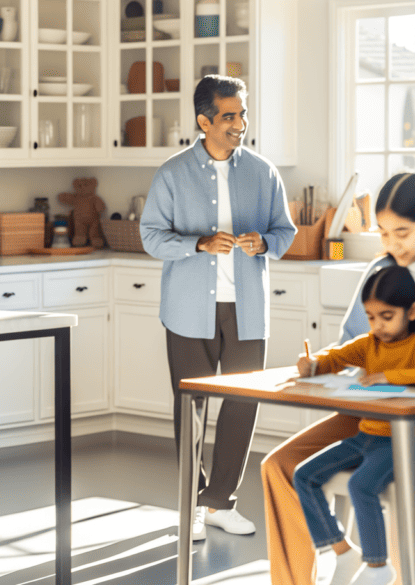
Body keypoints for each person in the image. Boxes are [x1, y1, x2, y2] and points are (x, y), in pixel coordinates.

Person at [261, 172, 415, 585]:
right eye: (383, 233)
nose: (391, 244)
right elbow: (351, 345)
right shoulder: (381, 271)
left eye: (402, 232)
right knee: (281, 466)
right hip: (381, 409)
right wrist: (319, 365)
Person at [140, 75, 297, 541]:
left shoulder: (264, 172)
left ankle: (220, 503)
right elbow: (151, 237)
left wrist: (264, 242)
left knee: (243, 404)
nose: (239, 124)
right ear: (204, 120)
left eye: (243, 114)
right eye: (229, 115)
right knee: (192, 406)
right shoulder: (172, 173)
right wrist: (198, 244)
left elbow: (284, 234)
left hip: (247, 310)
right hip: (189, 310)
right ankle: (191, 505)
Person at [293, 265, 415, 585]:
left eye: (386, 316)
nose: (378, 325)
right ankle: (342, 552)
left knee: (360, 486)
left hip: (405, 439)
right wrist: (312, 365)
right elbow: (335, 359)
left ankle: (378, 566)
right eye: (370, 317)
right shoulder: (369, 344)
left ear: (412, 311)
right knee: (304, 475)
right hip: (366, 435)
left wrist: (389, 376)